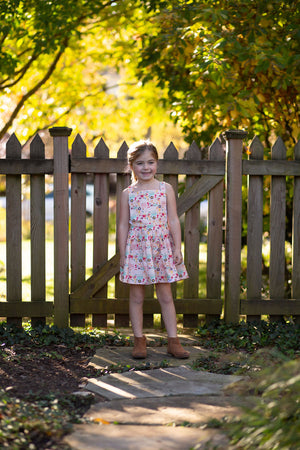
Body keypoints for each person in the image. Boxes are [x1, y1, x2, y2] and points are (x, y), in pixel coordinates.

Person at [118, 140, 190, 359]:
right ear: (132, 166)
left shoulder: (165, 189)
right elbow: (122, 225)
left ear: (157, 164)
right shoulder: (128, 193)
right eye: (140, 163)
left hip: (161, 247)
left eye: (150, 162)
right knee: (137, 296)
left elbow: (173, 220)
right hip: (137, 249)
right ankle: (139, 340)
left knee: (166, 295)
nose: (146, 167)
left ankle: (173, 341)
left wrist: (177, 247)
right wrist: (123, 253)